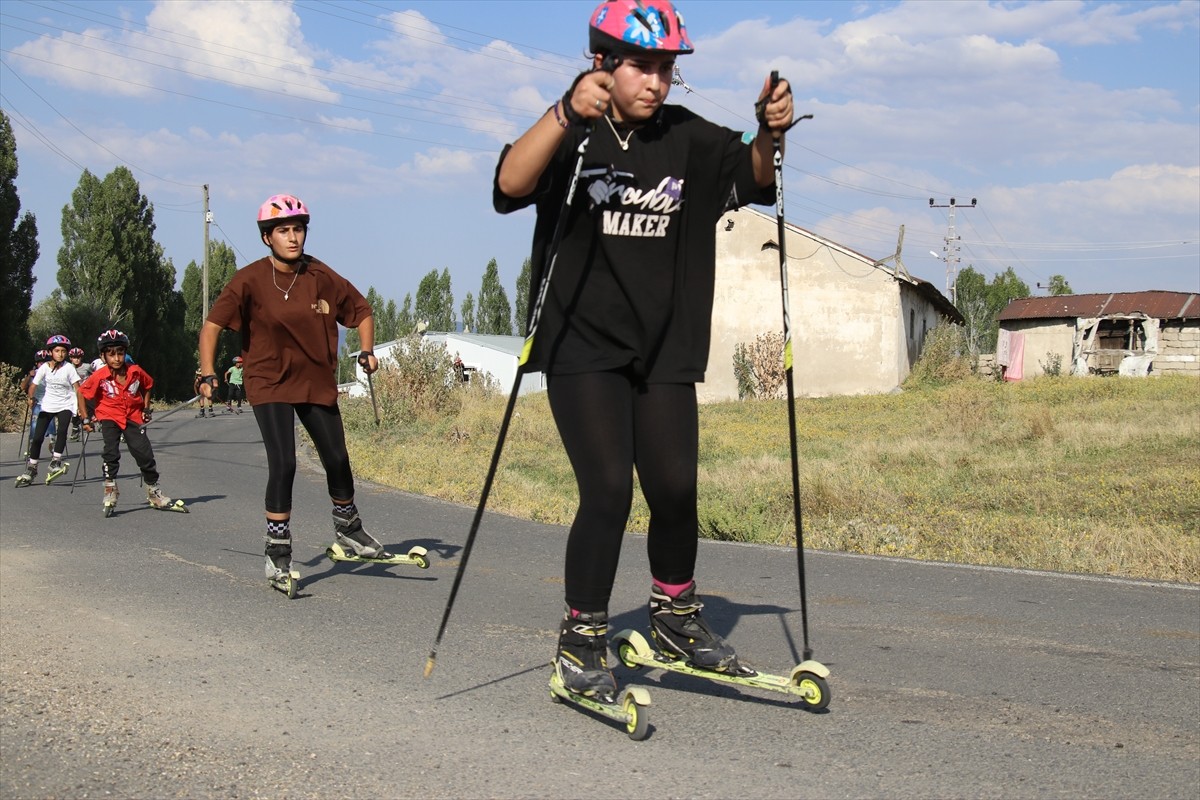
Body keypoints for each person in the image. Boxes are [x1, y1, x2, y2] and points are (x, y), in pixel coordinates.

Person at [493, 0, 796, 701]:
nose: (657, 81)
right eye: (642, 66)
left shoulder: (688, 139)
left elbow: (754, 175)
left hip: (664, 345)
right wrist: (568, 111)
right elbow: (509, 185)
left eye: (667, 68)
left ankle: (675, 616)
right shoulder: (572, 129)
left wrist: (769, 129)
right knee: (606, 490)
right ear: (602, 62)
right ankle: (581, 640)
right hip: (581, 344)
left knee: (675, 490)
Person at [197, 193, 388, 586]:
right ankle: (277, 551)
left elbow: (362, 310)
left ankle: (348, 526)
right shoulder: (248, 280)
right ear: (267, 238)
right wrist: (206, 371)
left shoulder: (321, 276)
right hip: (268, 381)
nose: (292, 237)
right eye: (282, 231)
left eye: (298, 229)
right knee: (284, 462)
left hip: (315, 381)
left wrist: (367, 350)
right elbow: (212, 326)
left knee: (337, 457)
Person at [79, 329, 184, 515]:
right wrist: (85, 417)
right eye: (111, 354)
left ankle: (153, 491)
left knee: (144, 454)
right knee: (110, 453)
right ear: (103, 356)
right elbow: (82, 392)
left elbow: (148, 385)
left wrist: (146, 408)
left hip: (133, 416)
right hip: (109, 416)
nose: (117, 358)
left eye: (120, 353)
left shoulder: (135, 372)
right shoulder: (100, 376)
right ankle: (110, 488)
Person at [16, 336, 86, 487]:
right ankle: (32, 468)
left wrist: (81, 408)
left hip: (66, 404)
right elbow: (33, 385)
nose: (60, 354)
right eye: (57, 351)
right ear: (50, 352)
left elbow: (78, 389)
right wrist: (31, 398)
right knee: (38, 437)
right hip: (48, 404)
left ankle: (55, 461)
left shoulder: (69, 368)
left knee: (61, 432)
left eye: (63, 351)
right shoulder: (44, 368)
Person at [68, 347, 92, 441]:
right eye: (74, 357)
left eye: (78, 357)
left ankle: (88, 422)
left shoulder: (87, 366)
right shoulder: (68, 367)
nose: (76, 359)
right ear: (70, 358)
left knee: (84, 410)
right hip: (73, 393)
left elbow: (95, 375)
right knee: (74, 411)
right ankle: (75, 428)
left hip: (85, 392)